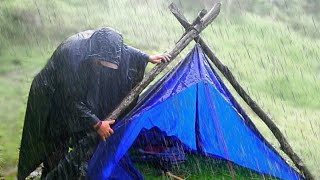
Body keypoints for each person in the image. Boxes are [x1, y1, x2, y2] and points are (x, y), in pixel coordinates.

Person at [18, 27, 170, 179]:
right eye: (102, 63)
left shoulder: (104, 46)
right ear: (96, 57)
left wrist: (146, 57)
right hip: (51, 96)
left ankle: (75, 170)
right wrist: (97, 124)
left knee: (81, 136)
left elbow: (124, 50)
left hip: (75, 93)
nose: (104, 69)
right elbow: (71, 101)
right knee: (56, 140)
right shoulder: (71, 58)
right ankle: (52, 173)